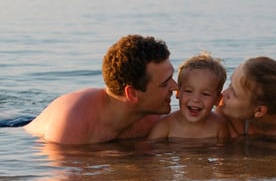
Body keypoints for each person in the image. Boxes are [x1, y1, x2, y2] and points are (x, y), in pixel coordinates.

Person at [24, 34, 178, 144]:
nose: (176, 87)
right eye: (165, 83)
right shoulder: (74, 122)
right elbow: (60, 179)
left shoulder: (151, 120)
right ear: (131, 93)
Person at [148, 52, 229, 140]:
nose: (196, 99)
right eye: (188, 91)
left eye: (205, 94)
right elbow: (152, 150)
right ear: (178, 92)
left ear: (218, 99)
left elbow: (224, 152)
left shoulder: (219, 126)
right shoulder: (165, 125)